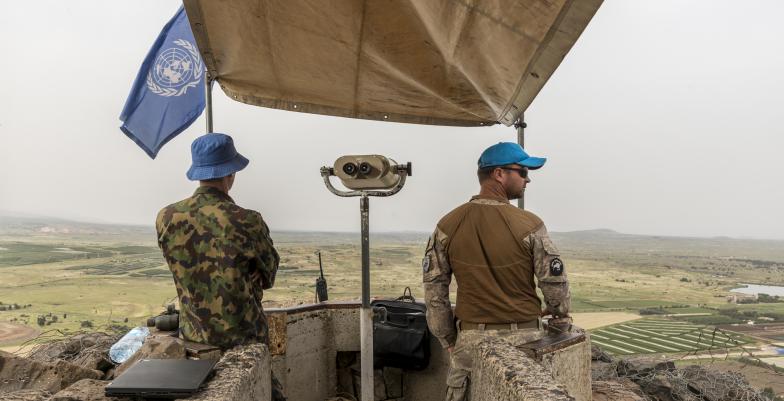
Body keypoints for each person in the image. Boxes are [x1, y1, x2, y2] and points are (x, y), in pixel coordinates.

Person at [422, 142, 572, 401]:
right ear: (499, 174)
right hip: (526, 343)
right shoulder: (530, 224)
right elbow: (553, 283)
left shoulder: (447, 225)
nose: (527, 180)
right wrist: (559, 314)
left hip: (469, 342)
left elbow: (435, 291)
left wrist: (447, 338)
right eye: (523, 172)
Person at [156, 133, 284, 399]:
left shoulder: (166, 217)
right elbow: (269, 274)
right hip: (244, 338)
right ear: (232, 173)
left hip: (193, 338)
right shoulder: (247, 220)